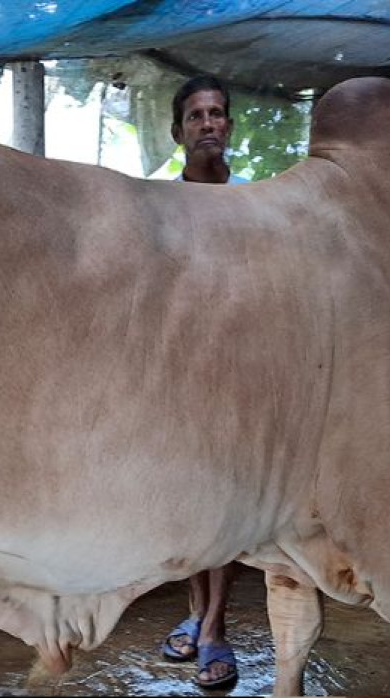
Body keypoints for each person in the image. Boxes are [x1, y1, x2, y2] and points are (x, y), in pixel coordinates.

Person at [157, 73, 246, 691]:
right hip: (179, 378)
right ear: (179, 131)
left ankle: (214, 629)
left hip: (242, 377)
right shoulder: (159, 206)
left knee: (227, 510)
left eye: (217, 114)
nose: (209, 123)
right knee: (189, 510)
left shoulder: (255, 202)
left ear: (229, 125)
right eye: (197, 116)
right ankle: (194, 612)